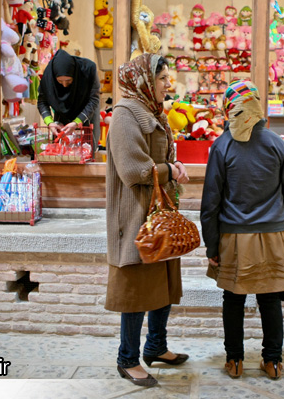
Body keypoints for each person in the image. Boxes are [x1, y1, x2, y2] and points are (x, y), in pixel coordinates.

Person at [201, 79, 284, 381]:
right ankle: (273, 362)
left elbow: (210, 205)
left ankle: (235, 361)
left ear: (231, 109)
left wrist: (212, 246)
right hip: (273, 236)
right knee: (270, 299)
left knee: (233, 299)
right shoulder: (277, 144)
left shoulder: (222, 145)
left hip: (234, 237)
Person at [104, 53, 190, 388]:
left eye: (169, 77)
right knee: (137, 289)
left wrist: (171, 167)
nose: (169, 84)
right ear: (142, 80)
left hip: (156, 211)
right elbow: (131, 170)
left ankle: (156, 346)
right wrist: (172, 170)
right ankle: (127, 358)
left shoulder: (152, 112)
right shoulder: (126, 115)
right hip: (135, 215)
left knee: (162, 283)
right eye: (162, 78)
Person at [37, 49, 101, 150]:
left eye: (69, 81)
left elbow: (94, 100)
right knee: (62, 151)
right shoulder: (48, 75)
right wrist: (50, 122)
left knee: (86, 151)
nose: (64, 85)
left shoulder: (88, 69)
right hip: (62, 114)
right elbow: (42, 101)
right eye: (59, 81)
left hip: (87, 112)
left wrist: (77, 122)